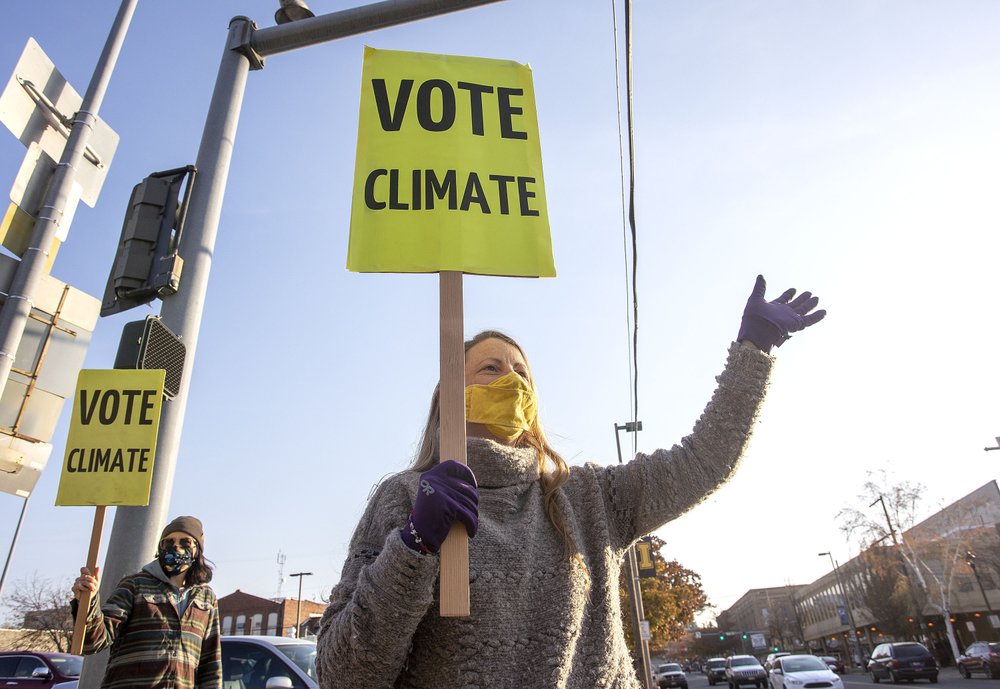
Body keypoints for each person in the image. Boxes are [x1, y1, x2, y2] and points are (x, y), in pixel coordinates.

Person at [315, 275, 825, 688]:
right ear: (450, 391)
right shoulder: (402, 498)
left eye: (522, 374)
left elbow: (703, 461)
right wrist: (413, 546)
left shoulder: (587, 498)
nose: (511, 380)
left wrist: (754, 351)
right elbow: (344, 674)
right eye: (491, 368)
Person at [71, 515, 222, 689]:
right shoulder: (135, 585)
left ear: (197, 550)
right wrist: (88, 602)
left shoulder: (206, 598)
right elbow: (94, 641)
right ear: (161, 547)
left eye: (186, 542)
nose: (176, 547)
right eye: (169, 542)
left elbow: (211, 664)